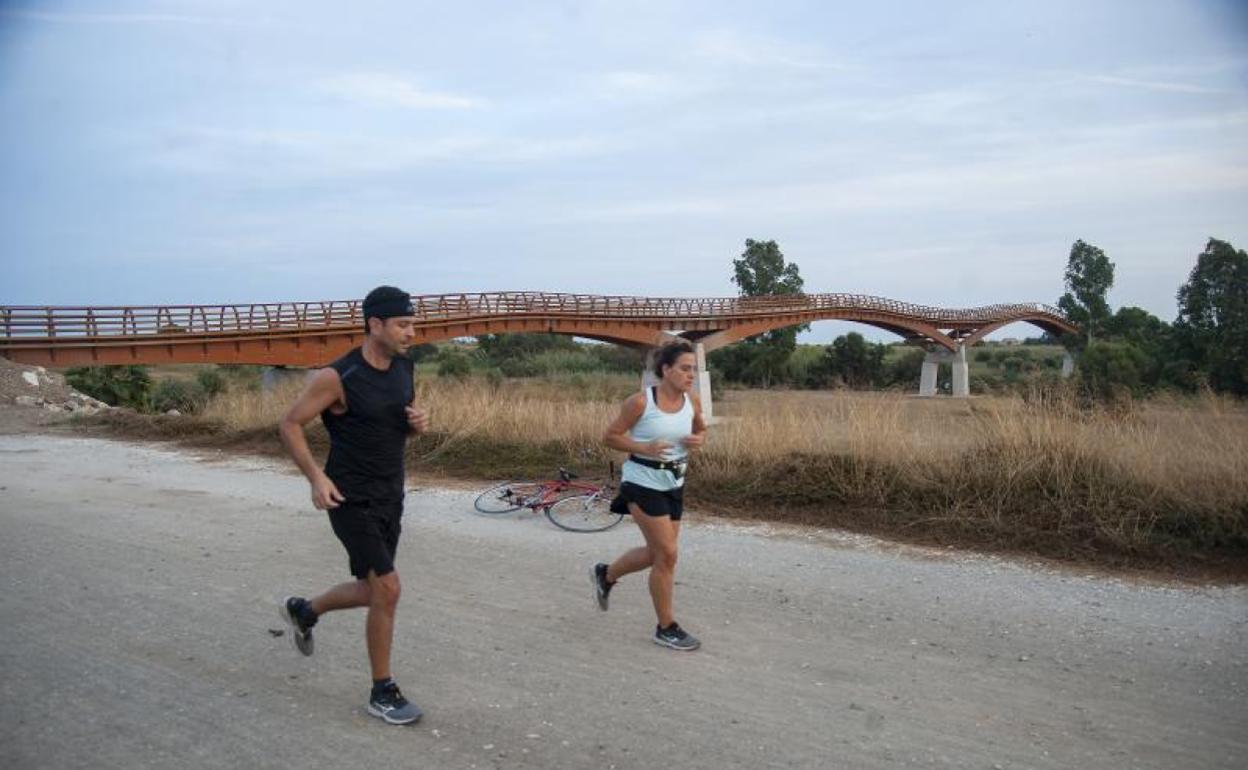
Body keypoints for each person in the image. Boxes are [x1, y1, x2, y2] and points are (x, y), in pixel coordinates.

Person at [276, 285, 429, 725]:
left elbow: (398, 423)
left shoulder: (404, 368)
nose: (410, 332)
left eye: (412, 323)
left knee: (374, 590)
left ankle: (305, 610)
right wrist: (316, 478)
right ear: (374, 324)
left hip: (390, 495)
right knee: (390, 589)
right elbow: (290, 424)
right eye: (402, 324)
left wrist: (417, 424)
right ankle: (382, 690)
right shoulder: (336, 377)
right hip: (349, 497)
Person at [590, 340, 707, 650]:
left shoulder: (692, 401)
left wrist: (697, 439)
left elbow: (701, 429)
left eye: (693, 369)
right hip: (641, 482)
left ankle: (607, 574)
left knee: (659, 554)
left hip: (674, 483)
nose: (690, 374)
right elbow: (610, 437)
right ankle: (666, 627)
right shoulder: (641, 403)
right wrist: (645, 447)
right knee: (668, 555)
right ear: (665, 370)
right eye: (684, 368)